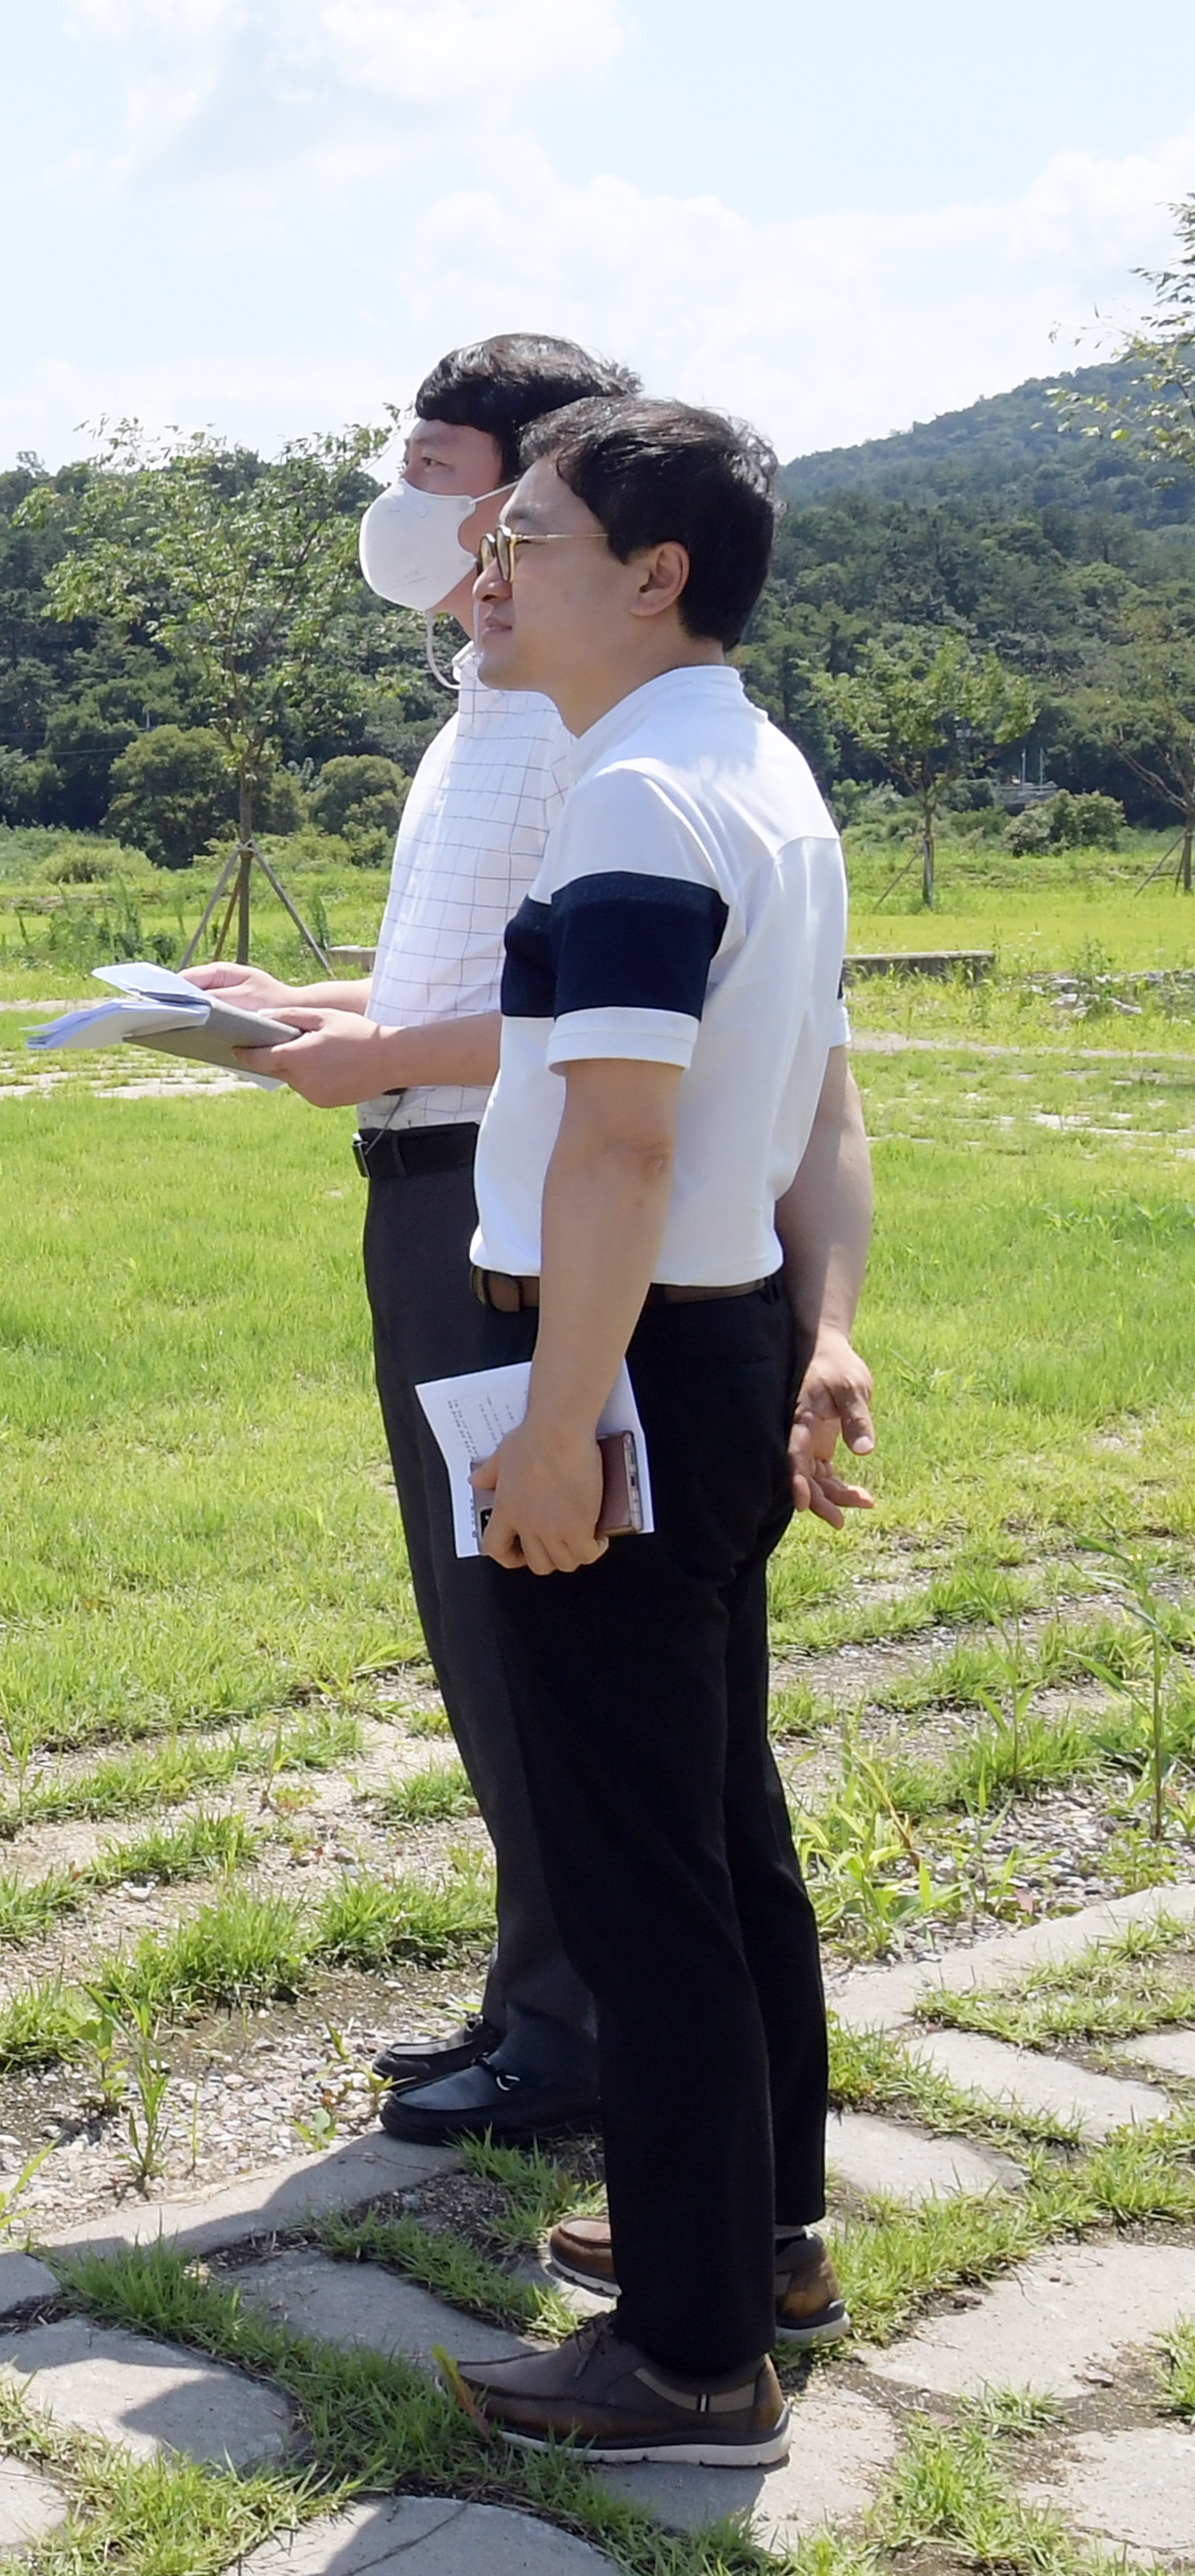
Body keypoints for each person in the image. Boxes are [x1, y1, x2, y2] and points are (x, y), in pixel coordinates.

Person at [439, 397, 875, 2468]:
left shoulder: (633, 800)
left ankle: (692, 2356)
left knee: (639, 1872)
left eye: (525, 532)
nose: (487, 567)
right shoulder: (759, 773)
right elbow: (820, 1108)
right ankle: (757, 2236)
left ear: (655, 574)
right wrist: (823, 1329)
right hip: (714, 1345)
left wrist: (551, 1426)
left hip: (618, 1359)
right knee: (717, 1820)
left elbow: (616, 1144)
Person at [185, 334, 637, 2147]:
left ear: (536, 495)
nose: (400, 501)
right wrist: (299, 1006)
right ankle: (539, 1983)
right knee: (476, 1607)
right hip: (428, 1172)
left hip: (496, 1192)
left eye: (434, 469)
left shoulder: (572, 719)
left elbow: (579, 1019)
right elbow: (468, 977)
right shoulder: (483, 700)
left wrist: (376, 1054)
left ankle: (574, 2021)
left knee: (532, 1609)